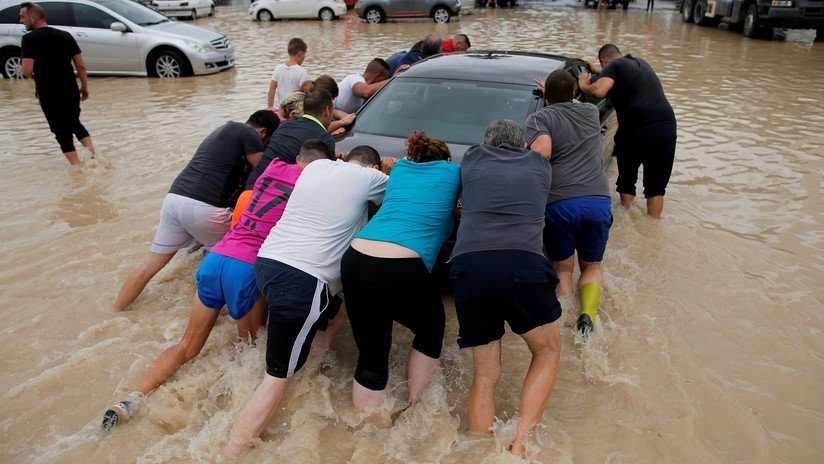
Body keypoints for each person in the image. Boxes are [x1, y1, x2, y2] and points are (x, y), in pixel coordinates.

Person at [101, 141, 334, 432]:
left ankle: (131, 400)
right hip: (248, 267)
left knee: (187, 345)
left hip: (217, 257)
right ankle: (219, 421)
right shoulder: (313, 185)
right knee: (250, 350)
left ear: (298, 157)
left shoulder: (273, 167)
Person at [222, 146, 394, 457]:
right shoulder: (371, 177)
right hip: (303, 280)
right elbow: (397, 196)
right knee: (276, 378)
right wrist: (389, 170)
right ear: (373, 165)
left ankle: (307, 365)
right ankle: (231, 451)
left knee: (335, 313)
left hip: (267, 263)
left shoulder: (316, 168)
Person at [449, 120, 562, 457]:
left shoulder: (471, 159)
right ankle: (522, 442)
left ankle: (478, 449)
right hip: (522, 266)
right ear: (522, 146)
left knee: (485, 374)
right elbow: (544, 141)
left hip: (470, 268)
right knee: (546, 351)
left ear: (486, 145)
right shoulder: (541, 166)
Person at [341, 132, 460, 411]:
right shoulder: (454, 173)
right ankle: (413, 407)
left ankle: (367, 427)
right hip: (401, 264)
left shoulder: (400, 169)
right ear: (445, 159)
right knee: (431, 330)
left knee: (372, 356)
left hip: (356, 257)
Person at [113, 110, 279, 311]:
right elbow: (264, 175)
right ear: (262, 132)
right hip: (205, 208)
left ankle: (118, 309)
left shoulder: (223, 130)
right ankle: (211, 318)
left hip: (174, 200)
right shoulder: (249, 133)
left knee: (149, 265)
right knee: (229, 263)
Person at [524, 70, 612, 335]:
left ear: (546, 96)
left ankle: (561, 325)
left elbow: (541, 153)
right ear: (574, 94)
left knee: (563, 270)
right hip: (598, 201)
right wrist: (559, 94)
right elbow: (572, 103)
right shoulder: (590, 113)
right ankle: (587, 314)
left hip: (560, 203)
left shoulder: (539, 117)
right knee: (592, 266)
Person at [578, 44, 676, 218]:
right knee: (656, 188)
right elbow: (614, 75)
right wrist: (597, 70)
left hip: (636, 130)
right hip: (665, 128)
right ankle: (653, 228)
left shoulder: (614, 67)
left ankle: (627, 215)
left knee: (627, 181)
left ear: (603, 61)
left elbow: (599, 90)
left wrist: (584, 85)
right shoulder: (640, 63)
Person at [19, 2, 96, 166]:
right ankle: (93, 157)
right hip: (70, 89)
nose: (21, 21)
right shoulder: (65, 35)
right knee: (74, 122)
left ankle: (77, 170)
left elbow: (26, 69)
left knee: (61, 131)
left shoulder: (29, 39)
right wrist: (85, 87)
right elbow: (81, 65)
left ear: (33, 18)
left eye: (22, 17)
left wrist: (36, 77)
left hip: (49, 93)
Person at [267, 38, 310, 109]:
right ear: (300, 53)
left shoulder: (278, 68)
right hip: (295, 110)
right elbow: (302, 93)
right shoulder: (302, 72)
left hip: (281, 109)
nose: (304, 58)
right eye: (304, 55)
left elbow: (272, 90)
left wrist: (270, 108)